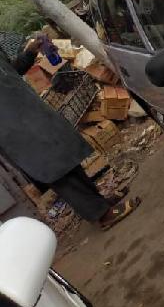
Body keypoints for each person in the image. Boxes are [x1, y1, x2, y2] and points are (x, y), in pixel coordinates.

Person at [0, 37, 140, 229]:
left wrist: (30, 52)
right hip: (14, 129)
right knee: (55, 170)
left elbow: (10, 73)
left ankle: (99, 203)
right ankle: (102, 215)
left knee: (66, 159)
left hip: (30, 114)